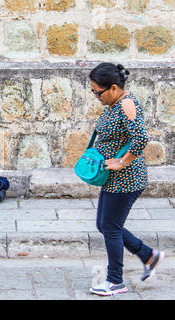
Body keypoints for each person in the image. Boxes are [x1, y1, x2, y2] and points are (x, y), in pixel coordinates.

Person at [88, 63, 164, 296]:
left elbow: (141, 138)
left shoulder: (127, 104)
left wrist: (122, 162)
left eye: (98, 93)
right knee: (105, 225)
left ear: (113, 87)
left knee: (110, 227)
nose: (96, 97)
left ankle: (115, 281)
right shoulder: (115, 103)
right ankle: (148, 255)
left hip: (126, 179)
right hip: (113, 178)